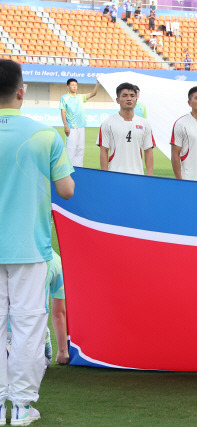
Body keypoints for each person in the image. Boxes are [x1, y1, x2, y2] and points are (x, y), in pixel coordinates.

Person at [0, 59, 75, 426]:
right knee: (29, 326)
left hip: (23, 247)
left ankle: (1, 404)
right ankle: (22, 406)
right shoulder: (46, 135)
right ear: (21, 90)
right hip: (29, 248)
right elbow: (66, 190)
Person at [97, 82, 155, 176]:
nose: (129, 98)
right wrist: (105, 175)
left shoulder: (144, 124)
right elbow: (104, 150)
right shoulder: (107, 123)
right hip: (114, 174)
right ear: (118, 100)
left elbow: (148, 150)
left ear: (136, 99)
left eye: (132, 96)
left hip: (138, 175)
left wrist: (150, 175)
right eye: (125, 95)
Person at [60, 78, 100, 167]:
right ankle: (69, 170)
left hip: (81, 126)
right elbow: (63, 111)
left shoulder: (80, 97)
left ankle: (79, 169)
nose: (74, 87)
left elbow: (94, 93)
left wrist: (97, 83)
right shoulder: (64, 98)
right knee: (71, 150)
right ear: (68, 86)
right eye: (72, 85)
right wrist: (65, 126)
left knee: (80, 150)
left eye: (76, 85)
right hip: (71, 127)